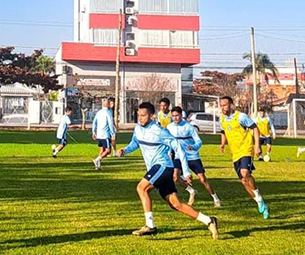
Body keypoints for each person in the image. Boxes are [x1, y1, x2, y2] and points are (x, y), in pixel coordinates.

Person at [116, 102, 219, 239]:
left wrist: (186, 171)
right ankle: (209, 221)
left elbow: (179, 149)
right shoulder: (138, 129)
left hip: (163, 166)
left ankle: (150, 226)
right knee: (176, 204)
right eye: (138, 115)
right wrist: (125, 150)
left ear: (151, 116)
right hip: (156, 169)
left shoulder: (160, 131)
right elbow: (135, 143)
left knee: (141, 188)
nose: (140, 118)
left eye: (143, 115)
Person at [219, 96, 270, 219]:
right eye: (221, 105)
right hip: (235, 153)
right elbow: (223, 131)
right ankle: (260, 202)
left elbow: (255, 128)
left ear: (231, 105)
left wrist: (257, 146)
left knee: (245, 173)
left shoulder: (241, 117)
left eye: (225, 105)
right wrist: (222, 143)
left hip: (246, 149)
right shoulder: (222, 119)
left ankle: (259, 198)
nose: (222, 108)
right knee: (243, 181)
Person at [168, 106, 221, 208]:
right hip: (179, 156)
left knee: (202, 179)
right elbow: (168, 142)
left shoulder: (189, 127)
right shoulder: (169, 127)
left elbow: (199, 141)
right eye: (173, 116)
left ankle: (215, 198)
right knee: (175, 177)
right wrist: (169, 152)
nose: (175, 118)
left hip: (192, 156)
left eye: (177, 115)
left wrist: (193, 147)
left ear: (181, 115)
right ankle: (191, 191)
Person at [91, 97, 116, 170]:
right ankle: (97, 159)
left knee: (102, 150)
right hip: (105, 134)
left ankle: (98, 166)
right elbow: (110, 124)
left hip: (99, 134)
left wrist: (94, 132)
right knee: (108, 151)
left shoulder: (99, 112)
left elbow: (94, 122)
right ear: (107, 105)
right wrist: (113, 134)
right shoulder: (108, 112)